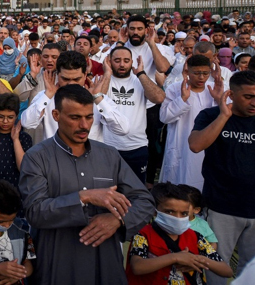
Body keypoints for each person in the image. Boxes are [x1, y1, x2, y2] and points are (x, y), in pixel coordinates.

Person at [19, 85, 155, 285]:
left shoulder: (109, 155)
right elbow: (35, 211)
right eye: (75, 118)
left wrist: (118, 220)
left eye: (89, 117)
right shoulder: (37, 157)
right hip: (57, 261)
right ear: (56, 115)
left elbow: (145, 201)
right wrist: (84, 197)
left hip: (105, 261)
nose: (84, 125)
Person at [188, 71, 255, 284]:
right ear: (231, 95)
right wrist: (224, 116)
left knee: (250, 272)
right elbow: (196, 145)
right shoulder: (210, 115)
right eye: (248, 96)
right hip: (221, 207)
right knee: (215, 268)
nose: (254, 102)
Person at [125, 182, 231, 285]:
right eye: (170, 212)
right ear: (155, 210)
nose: (178, 218)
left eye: (184, 213)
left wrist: (198, 260)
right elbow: (137, 266)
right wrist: (175, 257)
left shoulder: (195, 236)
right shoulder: (143, 235)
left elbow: (227, 271)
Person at [20, 51, 128, 142]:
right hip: (56, 161)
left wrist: (98, 98)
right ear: (58, 75)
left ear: (85, 75)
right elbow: (27, 123)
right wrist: (47, 96)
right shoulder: (45, 97)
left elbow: (123, 129)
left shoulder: (97, 99)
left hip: (89, 162)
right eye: (65, 79)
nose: (71, 84)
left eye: (76, 79)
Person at [160, 55, 224, 190]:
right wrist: (182, 99)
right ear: (187, 72)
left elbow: (225, 118)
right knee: (179, 187)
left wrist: (219, 99)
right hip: (181, 146)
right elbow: (164, 117)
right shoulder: (175, 88)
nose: (201, 77)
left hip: (208, 145)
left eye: (205, 73)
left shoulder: (215, 88)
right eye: (197, 73)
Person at [104, 48, 167, 183]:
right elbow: (98, 99)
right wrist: (107, 74)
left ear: (132, 62)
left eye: (126, 61)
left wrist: (141, 73)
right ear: (109, 62)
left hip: (136, 146)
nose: (122, 64)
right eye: (117, 60)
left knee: (136, 191)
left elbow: (159, 98)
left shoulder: (140, 81)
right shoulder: (103, 79)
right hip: (107, 146)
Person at [179, 184, 219, 250]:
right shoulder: (170, 221)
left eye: (185, 206)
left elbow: (212, 243)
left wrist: (206, 254)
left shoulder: (202, 225)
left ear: (196, 210)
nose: (179, 209)